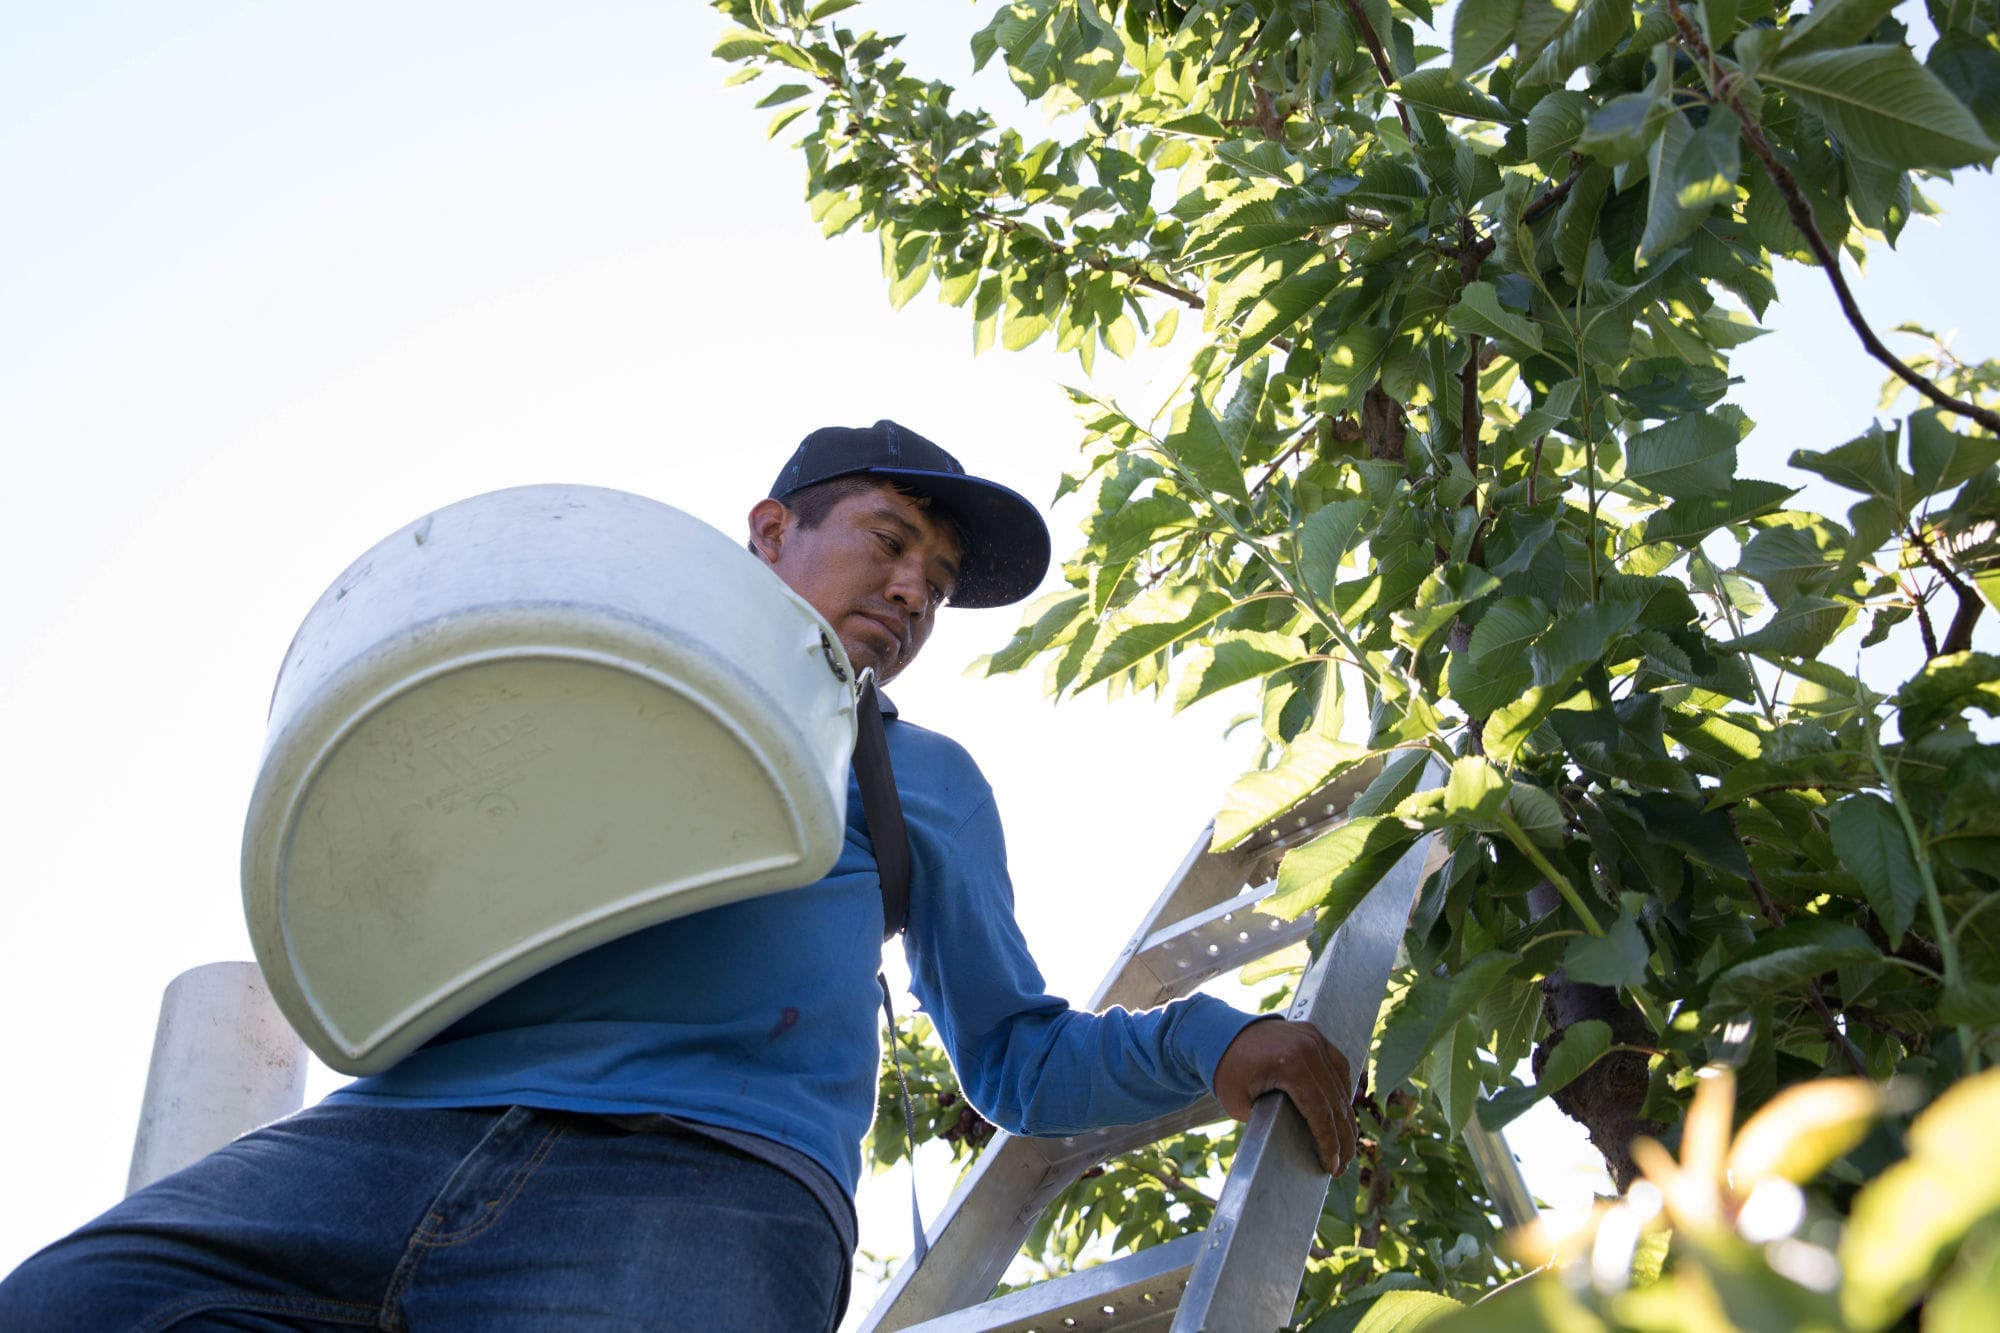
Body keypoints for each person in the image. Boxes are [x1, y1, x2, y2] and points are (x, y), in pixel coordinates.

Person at [0, 421, 1359, 1331]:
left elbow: (1012, 1050)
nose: (914, 592)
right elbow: (399, 830)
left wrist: (1215, 1038)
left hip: (705, 1185)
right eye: (889, 540)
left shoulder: (920, 778)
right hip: (388, 1132)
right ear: (770, 531)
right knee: (68, 1303)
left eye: (939, 580)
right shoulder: (594, 653)